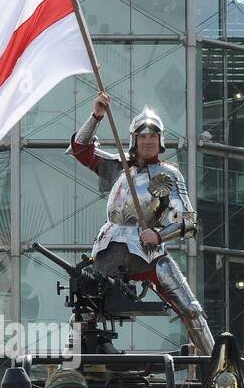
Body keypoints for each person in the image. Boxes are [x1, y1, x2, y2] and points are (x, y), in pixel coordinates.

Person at [68, 90, 215, 355]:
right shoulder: (117, 166)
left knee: (192, 310)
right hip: (110, 249)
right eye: (143, 136)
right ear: (134, 140)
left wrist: (159, 237)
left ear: (160, 140)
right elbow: (80, 148)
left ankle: (219, 372)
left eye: (153, 136)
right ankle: (76, 374)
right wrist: (96, 116)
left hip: (150, 254)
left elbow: (188, 220)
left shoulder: (169, 174)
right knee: (84, 312)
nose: (148, 141)